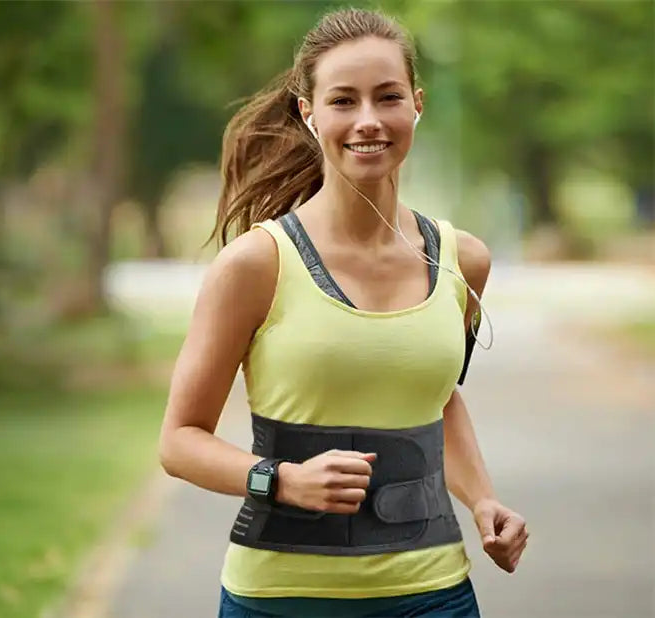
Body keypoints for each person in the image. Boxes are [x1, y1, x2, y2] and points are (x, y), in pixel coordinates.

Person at [158, 7, 529, 618]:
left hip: (433, 594)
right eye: (342, 101)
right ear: (308, 113)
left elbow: (435, 401)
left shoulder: (465, 261)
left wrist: (483, 500)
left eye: (387, 98)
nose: (368, 121)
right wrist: (280, 479)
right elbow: (179, 441)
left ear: (417, 103)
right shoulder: (257, 265)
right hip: (281, 600)